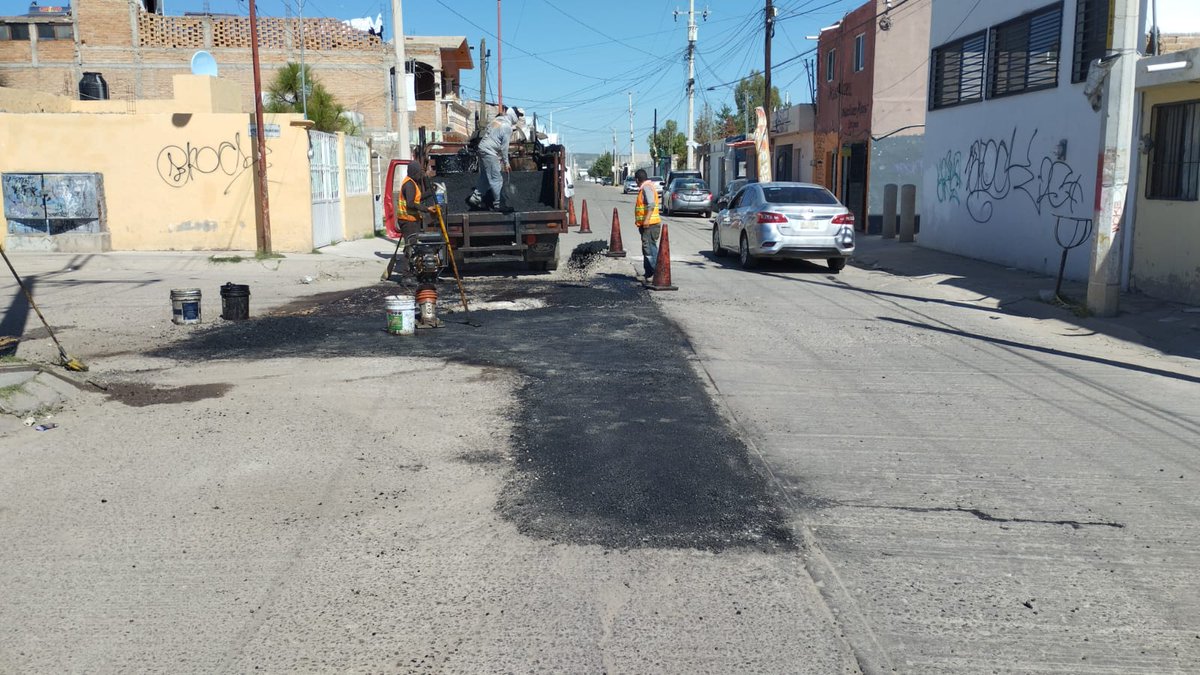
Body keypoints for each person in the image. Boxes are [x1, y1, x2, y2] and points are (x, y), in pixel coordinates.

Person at [467, 106, 523, 211]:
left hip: (482, 148)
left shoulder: (497, 120)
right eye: (518, 116)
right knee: (497, 179)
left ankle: (476, 198)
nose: (518, 118)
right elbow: (504, 147)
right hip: (489, 152)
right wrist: (507, 163)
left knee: (485, 177)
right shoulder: (507, 127)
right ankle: (499, 204)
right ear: (513, 115)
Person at [392, 153, 432, 240]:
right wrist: (426, 209)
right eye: (419, 173)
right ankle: (408, 253)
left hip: (410, 220)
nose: (420, 176)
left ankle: (409, 252)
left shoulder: (412, 182)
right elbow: (410, 204)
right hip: (408, 221)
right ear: (414, 172)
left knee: (412, 245)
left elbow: (417, 198)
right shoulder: (409, 185)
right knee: (412, 245)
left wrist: (430, 191)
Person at [633, 168, 662, 279]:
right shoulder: (646, 187)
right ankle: (648, 273)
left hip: (650, 225)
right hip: (647, 225)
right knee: (647, 249)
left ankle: (657, 274)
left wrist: (646, 220)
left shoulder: (646, 188)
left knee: (650, 249)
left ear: (637, 179)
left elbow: (651, 204)